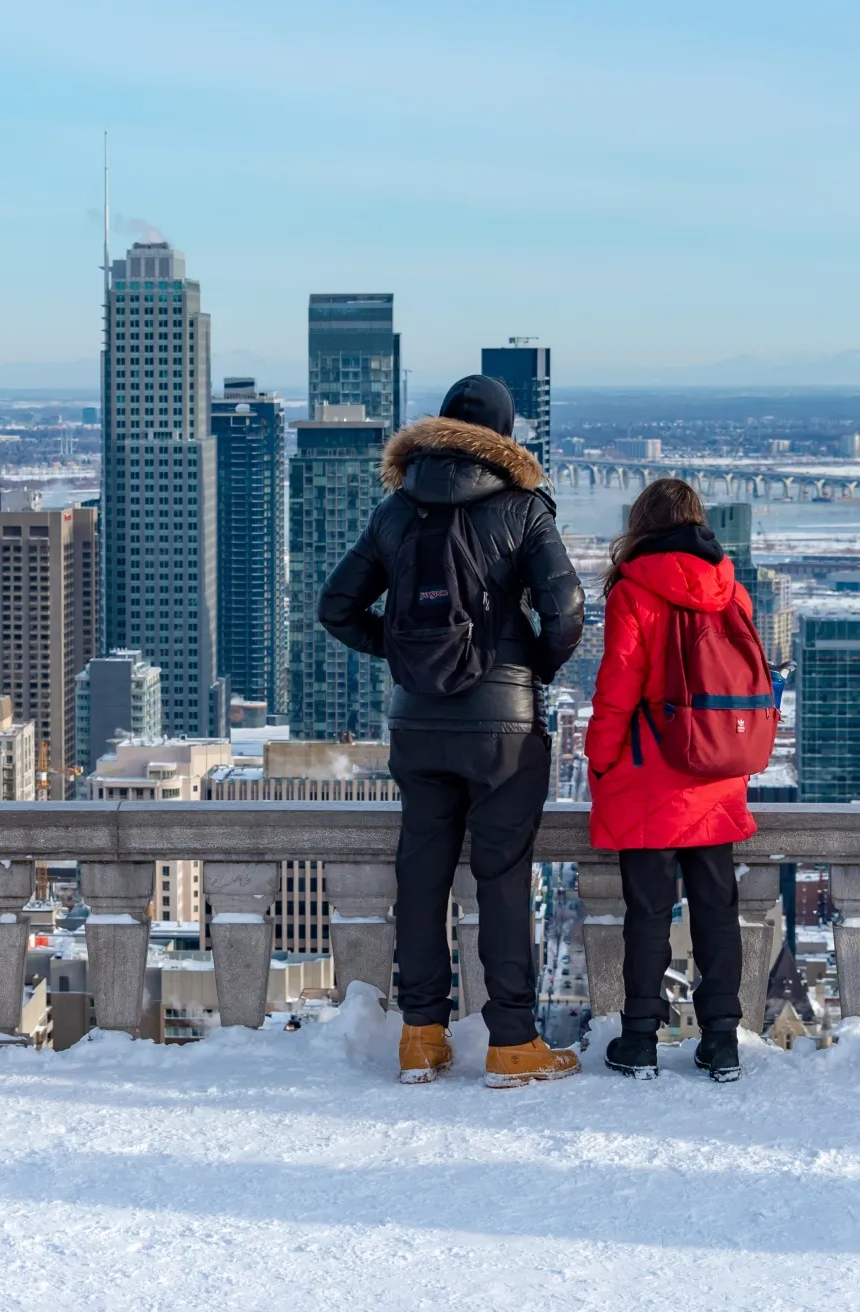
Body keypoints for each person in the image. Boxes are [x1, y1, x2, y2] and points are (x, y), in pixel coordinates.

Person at [319, 375, 585, 1087]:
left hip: (416, 722)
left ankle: (421, 1037)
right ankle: (511, 1044)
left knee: (421, 872)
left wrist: (403, 652)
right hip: (503, 723)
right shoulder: (524, 508)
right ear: (505, 440)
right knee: (501, 877)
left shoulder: (395, 510)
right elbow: (564, 610)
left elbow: (336, 608)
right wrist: (533, 667)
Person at [584, 478, 758, 1083]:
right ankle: (722, 1041)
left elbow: (617, 689)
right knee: (717, 910)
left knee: (648, 912)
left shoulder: (634, 592)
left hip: (648, 775)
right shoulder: (731, 589)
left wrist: (600, 756)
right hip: (714, 770)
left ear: (642, 523)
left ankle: (638, 1041)